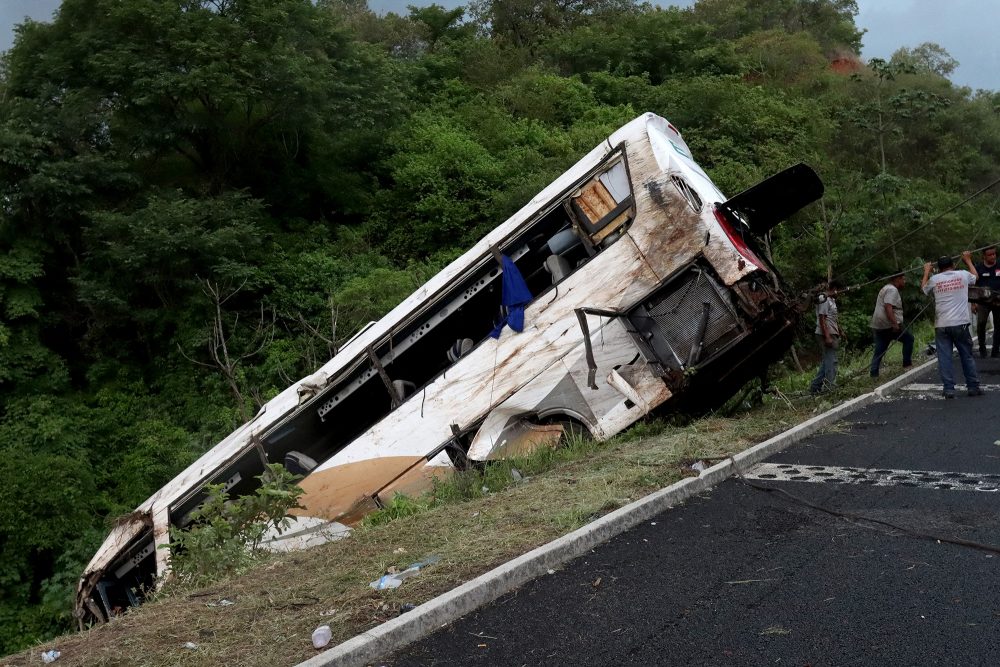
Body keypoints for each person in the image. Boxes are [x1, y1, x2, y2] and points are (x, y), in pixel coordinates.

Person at [921, 252, 982, 399]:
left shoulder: (935, 279)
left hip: (941, 325)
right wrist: (968, 260)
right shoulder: (962, 274)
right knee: (966, 356)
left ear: (939, 268)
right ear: (953, 265)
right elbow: (976, 277)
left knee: (944, 358)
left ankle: (949, 389)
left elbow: (924, 289)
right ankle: (973, 387)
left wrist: (926, 271)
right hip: (960, 323)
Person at [869, 273, 914, 377]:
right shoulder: (892, 290)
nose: (904, 282)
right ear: (897, 279)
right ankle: (907, 365)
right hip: (889, 324)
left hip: (879, 325)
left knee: (880, 349)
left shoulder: (885, 288)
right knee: (909, 339)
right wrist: (894, 324)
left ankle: (874, 373)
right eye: (903, 279)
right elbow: (888, 307)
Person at [809, 281, 843, 394]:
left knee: (827, 361)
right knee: (832, 361)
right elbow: (822, 319)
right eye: (839, 290)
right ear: (834, 288)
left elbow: (833, 318)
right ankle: (830, 387)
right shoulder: (824, 299)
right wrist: (827, 337)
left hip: (832, 332)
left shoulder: (832, 300)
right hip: (824, 334)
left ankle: (815, 386)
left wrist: (840, 331)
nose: (841, 293)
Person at [973, 245, 1000, 358]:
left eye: (994, 254)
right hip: (983, 301)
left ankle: (995, 349)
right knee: (981, 324)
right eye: (990, 255)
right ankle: (982, 348)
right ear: (984, 256)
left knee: (999, 326)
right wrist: (973, 303)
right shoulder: (978, 268)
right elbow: (973, 285)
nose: (993, 256)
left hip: (998, 301)